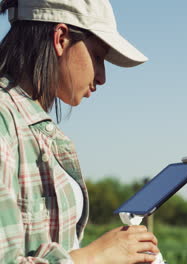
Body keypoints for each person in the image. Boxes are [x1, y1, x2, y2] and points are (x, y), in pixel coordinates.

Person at [0, 0, 160, 263]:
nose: (102, 77)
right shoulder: (5, 120)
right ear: (61, 39)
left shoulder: (40, 132)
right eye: (97, 57)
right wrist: (97, 256)